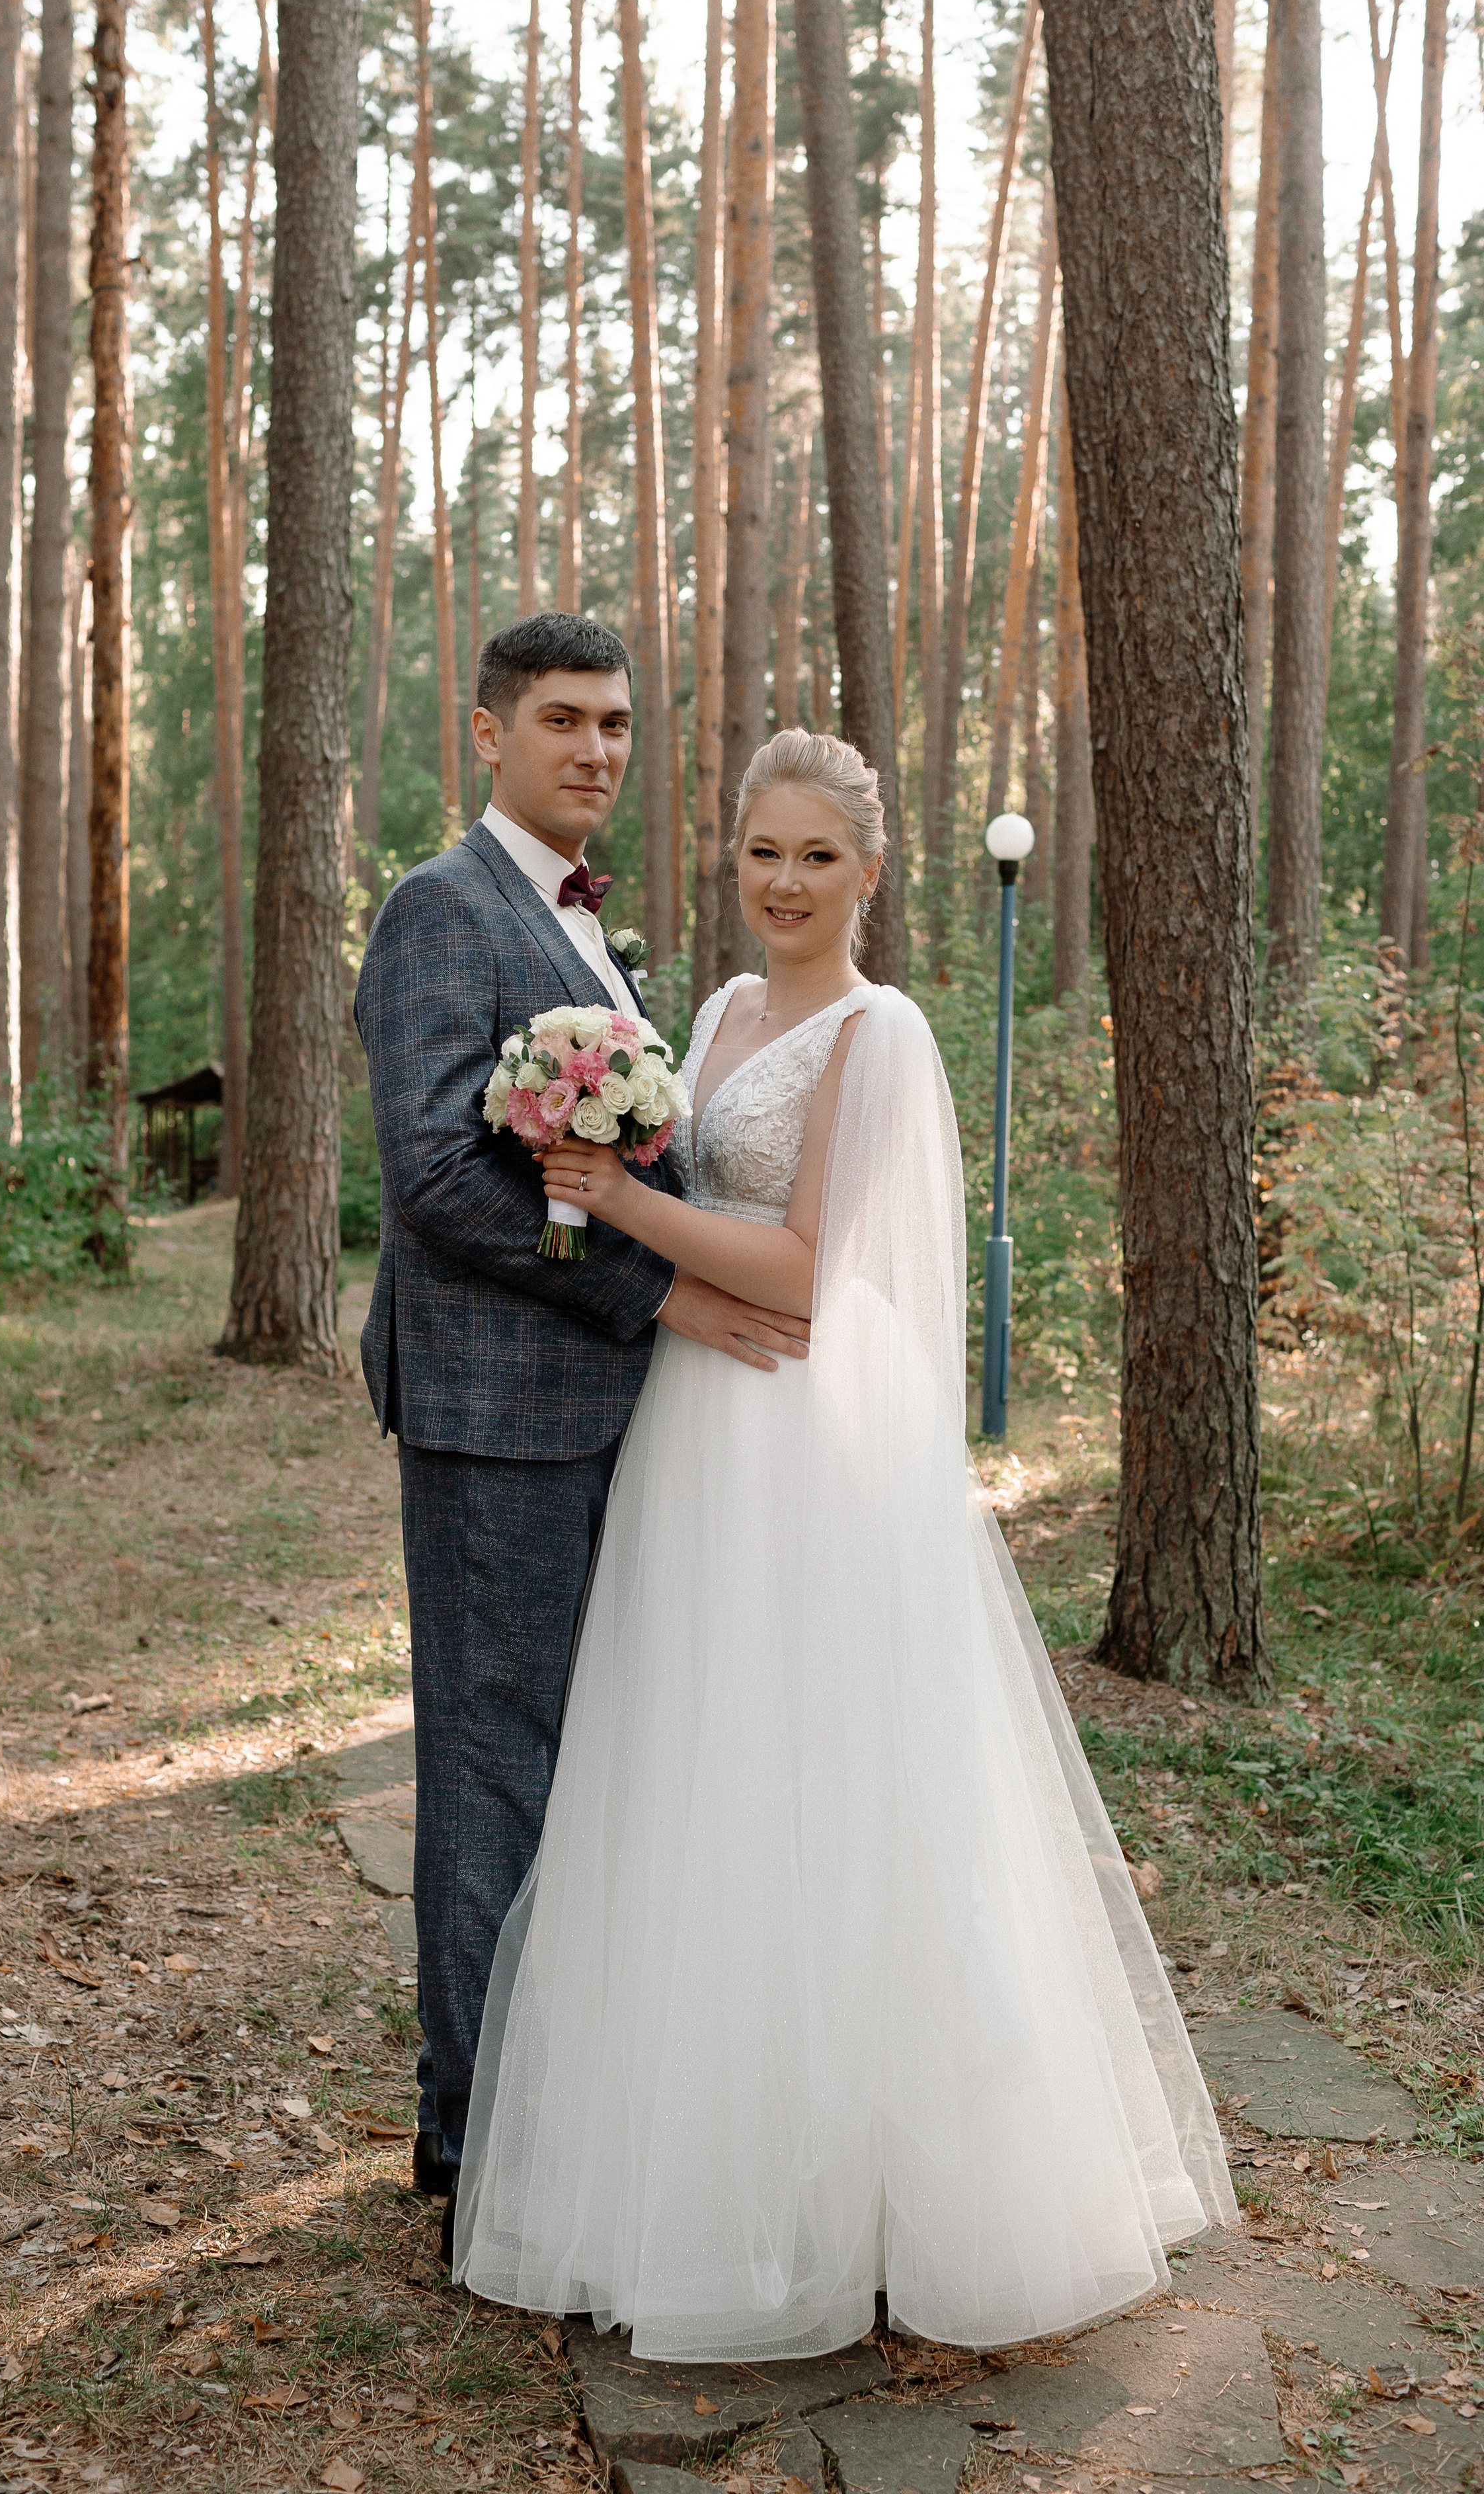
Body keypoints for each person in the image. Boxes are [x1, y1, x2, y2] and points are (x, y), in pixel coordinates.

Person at [453, 726, 1237, 2361]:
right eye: (760, 853)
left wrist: (605, 1192)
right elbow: (714, 1203)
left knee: (839, 1774)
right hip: (698, 1424)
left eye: (818, 856)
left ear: (869, 873)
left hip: (807, 1435)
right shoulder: (725, 1013)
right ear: (730, 861)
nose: (786, 883)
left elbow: (814, 1271)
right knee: (700, 1768)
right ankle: (701, 2167)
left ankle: (886, 2192)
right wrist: (613, 1186)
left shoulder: (882, 1037)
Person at [354, 614, 814, 2263]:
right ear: (488, 736)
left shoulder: (588, 933)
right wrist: (658, 1299)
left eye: (617, 725)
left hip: (601, 1423)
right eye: (562, 722)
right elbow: (436, 1178)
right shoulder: (438, 908)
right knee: (494, 1769)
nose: (596, 752)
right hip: (499, 1422)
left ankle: (559, 2106)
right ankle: (473, 2140)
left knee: (581, 1771)